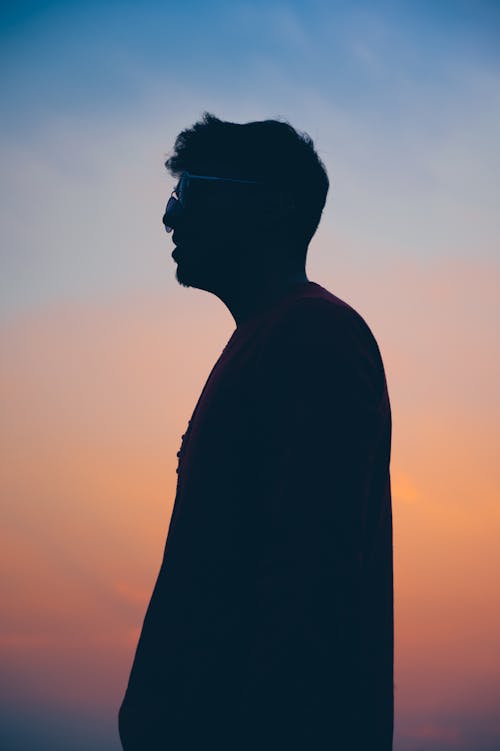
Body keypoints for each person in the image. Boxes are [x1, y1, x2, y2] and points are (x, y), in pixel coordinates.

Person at [118, 112, 394, 750]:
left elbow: (309, 579)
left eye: (193, 190)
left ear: (273, 208)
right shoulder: (267, 338)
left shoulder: (313, 335)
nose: (170, 215)